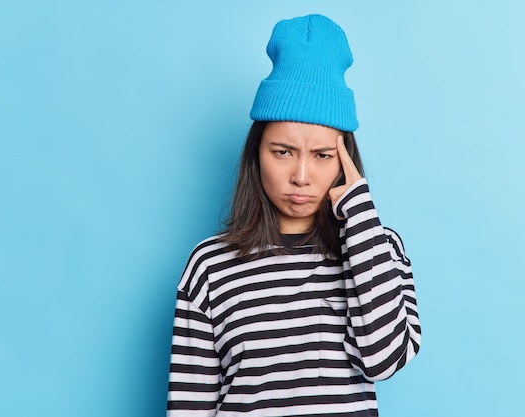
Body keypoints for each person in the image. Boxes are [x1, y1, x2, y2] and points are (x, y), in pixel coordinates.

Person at [167, 14, 421, 417]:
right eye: (282, 152)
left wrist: (358, 212)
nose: (301, 177)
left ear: (345, 161)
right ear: (257, 153)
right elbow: (189, 407)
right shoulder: (210, 266)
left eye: (322, 156)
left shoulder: (379, 247)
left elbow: (385, 360)